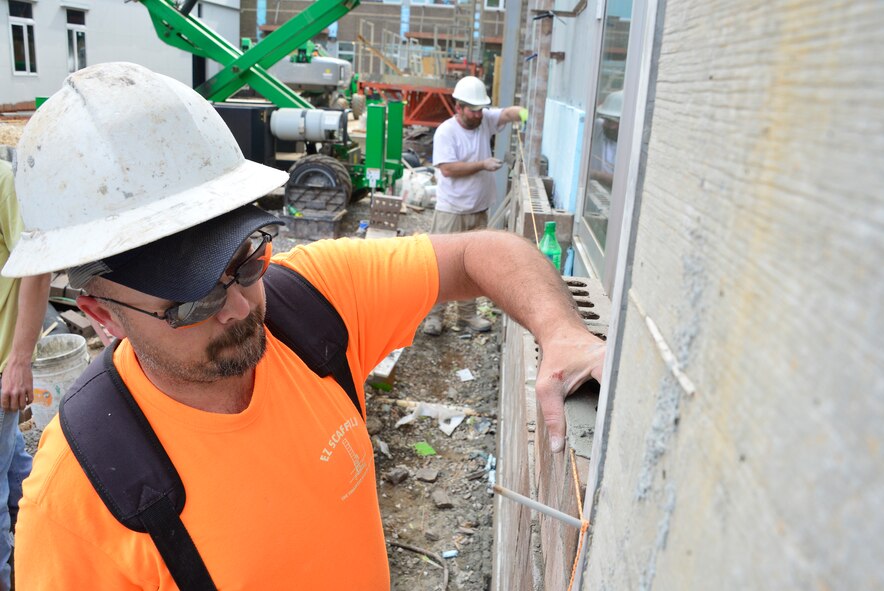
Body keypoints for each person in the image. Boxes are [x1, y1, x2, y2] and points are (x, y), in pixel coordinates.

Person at [3, 63, 605, 590]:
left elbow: (481, 253)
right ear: (102, 315)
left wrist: (560, 330)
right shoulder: (82, 500)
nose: (238, 308)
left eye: (246, 262)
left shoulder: (311, 303)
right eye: (190, 303)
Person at [422, 75, 527, 336]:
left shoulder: (484, 120)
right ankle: (434, 317)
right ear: (459, 107)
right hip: (452, 210)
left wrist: (527, 113)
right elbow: (447, 169)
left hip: (478, 209)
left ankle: (467, 315)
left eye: (482, 110)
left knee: (471, 266)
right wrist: (483, 164)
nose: (479, 115)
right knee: (442, 266)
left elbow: (507, 114)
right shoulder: (447, 131)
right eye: (474, 110)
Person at [0, 159, 49, 591]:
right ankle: (50, 536)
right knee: (17, 467)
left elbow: (36, 264)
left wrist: (19, 360)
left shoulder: (2, 180)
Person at [588, 90, 622, 190]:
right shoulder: (598, 128)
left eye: (610, 122)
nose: (605, 125)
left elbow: (621, 182)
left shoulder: (631, 148)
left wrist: (594, 174)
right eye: (605, 120)